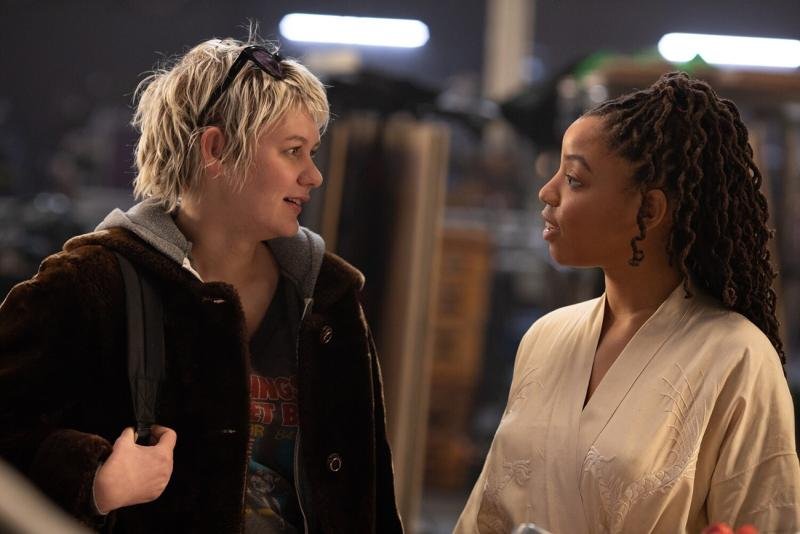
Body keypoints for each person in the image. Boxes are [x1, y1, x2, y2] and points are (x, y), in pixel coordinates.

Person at [0, 34, 403, 533]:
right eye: (293, 151)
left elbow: (372, 494)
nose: (314, 176)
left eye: (312, 152)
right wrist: (95, 483)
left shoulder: (328, 297)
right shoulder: (91, 284)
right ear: (215, 148)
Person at [455, 72, 800, 533]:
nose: (547, 191)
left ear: (649, 210)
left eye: (574, 179)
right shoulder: (546, 336)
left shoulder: (736, 357)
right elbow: (486, 515)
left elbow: (764, 520)